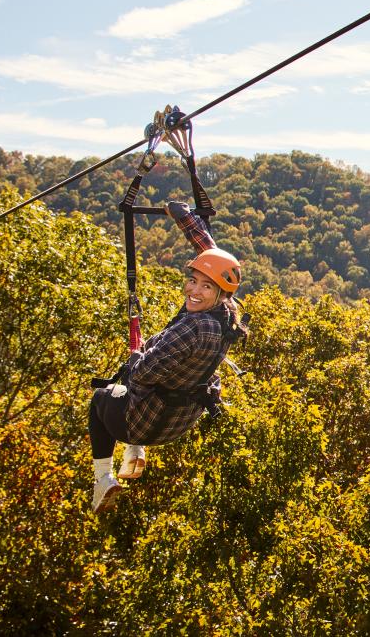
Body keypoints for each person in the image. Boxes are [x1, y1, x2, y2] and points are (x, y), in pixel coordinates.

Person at [89, 200, 246, 514]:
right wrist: (187, 221)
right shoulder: (226, 316)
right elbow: (215, 260)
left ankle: (102, 479)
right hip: (178, 420)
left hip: (145, 423)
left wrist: (136, 357)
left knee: (101, 398)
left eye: (204, 287)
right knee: (141, 376)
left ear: (219, 293)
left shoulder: (191, 328)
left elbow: (144, 374)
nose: (195, 291)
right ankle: (134, 454)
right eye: (192, 281)